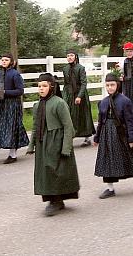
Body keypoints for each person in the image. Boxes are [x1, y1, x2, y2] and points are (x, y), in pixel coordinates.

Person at [27, 73, 80, 216]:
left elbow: (68, 127)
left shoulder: (59, 103)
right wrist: (31, 145)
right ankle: (52, 199)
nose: (41, 89)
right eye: (39, 86)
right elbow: (35, 126)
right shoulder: (37, 105)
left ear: (52, 87)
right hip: (43, 142)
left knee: (56, 170)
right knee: (45, 172)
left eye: (44, 86)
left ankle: (57, 201)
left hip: (57, 141)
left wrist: (66, 147)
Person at [94, 73, 133, 198]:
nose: (110, 88)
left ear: (117, 85)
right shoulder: (103, 103)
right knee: (106, 160)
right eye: (107, 85)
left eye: (112, 85)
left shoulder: (125, 101)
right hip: (107, 135)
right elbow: (101, 121)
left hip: (121, 133)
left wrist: (132, 138)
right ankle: (110, 188)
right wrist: (97, 137)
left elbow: (130, 121)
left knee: (128, 157)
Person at [0, 53, 29, 164]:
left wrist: (5, 92)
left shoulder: (15, 74)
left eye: (6, 60)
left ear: (11, 62)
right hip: (1, 104)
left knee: (11, 127)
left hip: (13, 104)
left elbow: (20, 91)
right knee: (0, 126)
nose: (4, 61)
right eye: (2, 60)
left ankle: (12, 154)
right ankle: (10, 151)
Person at [62, 49, 95, 147]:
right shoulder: (65, 69)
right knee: (69, 115)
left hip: (80, 94)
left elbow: (84, 83)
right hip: (69, 94)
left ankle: (87, 138)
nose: (70, 57)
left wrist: (79, 96)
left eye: (71, 55)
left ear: (75, 56)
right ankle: (69, 137)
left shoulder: (81, 68)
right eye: (68, 56)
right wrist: (64, 96)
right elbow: (65, 84)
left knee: (82, 115)